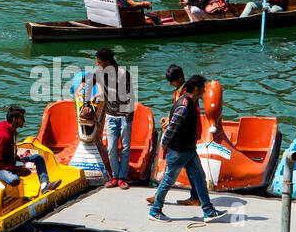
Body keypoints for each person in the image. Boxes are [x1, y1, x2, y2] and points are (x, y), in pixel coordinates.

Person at [148, 74, 225, 222]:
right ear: (196, 89)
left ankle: (208, 211)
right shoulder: (183, 106)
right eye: (202, 89)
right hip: (178, 152)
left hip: (189, 151)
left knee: (200, 179)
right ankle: (155, 211)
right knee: (168, 181)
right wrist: (164, 147)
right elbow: (170, 130)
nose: (204, 92)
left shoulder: (191, 102)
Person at [146, 64, 204, 207]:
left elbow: (184, 112)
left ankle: (158, 202)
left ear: (179, 79)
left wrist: (167, 133)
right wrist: (168, 119)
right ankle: (196, 196)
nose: (170, 84)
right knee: (191, 168)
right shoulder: (180, 90)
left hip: (184, 134)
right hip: (185, 133)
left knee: (172, 170)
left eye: (172, 81)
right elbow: (177, 110)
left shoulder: (186, 92)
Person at [0, 106, 58, 193]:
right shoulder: (3, 136)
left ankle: (44, 185)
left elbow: (10, 155)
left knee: (38, 158)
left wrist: (19, 162)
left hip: (9, 162)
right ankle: (13, 174)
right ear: (15, 120)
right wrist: (18, 169)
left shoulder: (12, 131)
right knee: (14, 180)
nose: (24, 121)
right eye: (22, 119)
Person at [94, 48, 136, 189]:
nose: (97, 64)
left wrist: (129, 116)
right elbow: (89, 80)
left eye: (99, 62)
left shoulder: (124, 74)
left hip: (124, 116)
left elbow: (130, 95)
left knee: (125, 148)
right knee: (111, 148)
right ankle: (115, 175)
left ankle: (122, 177)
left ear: (108, 62)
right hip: (110, 116)